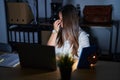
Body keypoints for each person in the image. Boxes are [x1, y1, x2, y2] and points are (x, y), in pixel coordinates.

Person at [47, 4, 90, 70]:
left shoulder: (82, 36)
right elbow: (48, 51)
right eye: (59, 18)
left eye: (62, 19)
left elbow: (85, 60)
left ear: (69, 20)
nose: (59, 21)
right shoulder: (58, 32)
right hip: (58, 69)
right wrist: (55, 32)